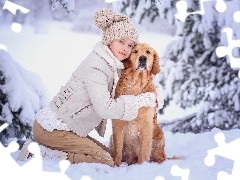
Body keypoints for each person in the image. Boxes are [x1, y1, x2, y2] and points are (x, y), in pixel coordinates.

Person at [17, 8, 164, 166]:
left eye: (130, 45)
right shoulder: (96, 66)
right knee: (106, 160)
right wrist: (141, 101)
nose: (125, 49)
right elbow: (105, 108)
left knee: (110, 154)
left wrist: (156, 94)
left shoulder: (115, 64)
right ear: (109, 40)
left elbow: (141, 80)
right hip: (51, 128)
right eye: (121, 41)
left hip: (70, 128)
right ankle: (39, 153)